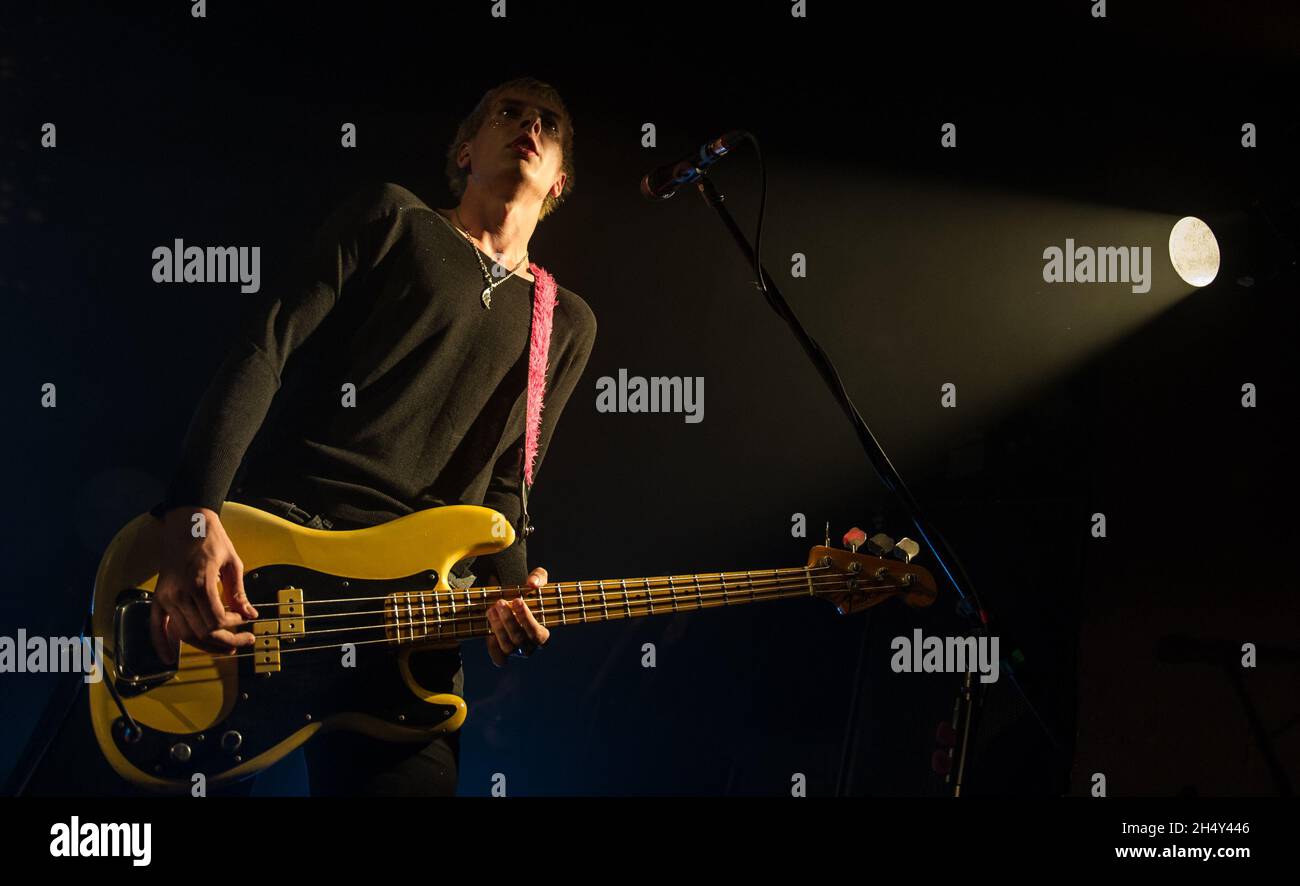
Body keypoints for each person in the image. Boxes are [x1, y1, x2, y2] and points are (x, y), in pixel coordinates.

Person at [146, 76, 597, 796]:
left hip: (409, 626)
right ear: (464, 148)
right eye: (508, 112)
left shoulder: (564, 321)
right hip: (273, 562)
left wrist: (512, 594)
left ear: (560, 181)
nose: (529, 126)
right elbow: (266, 350)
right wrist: (193, 512)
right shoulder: (394, 219)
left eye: (548, 122)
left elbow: (507, 484)